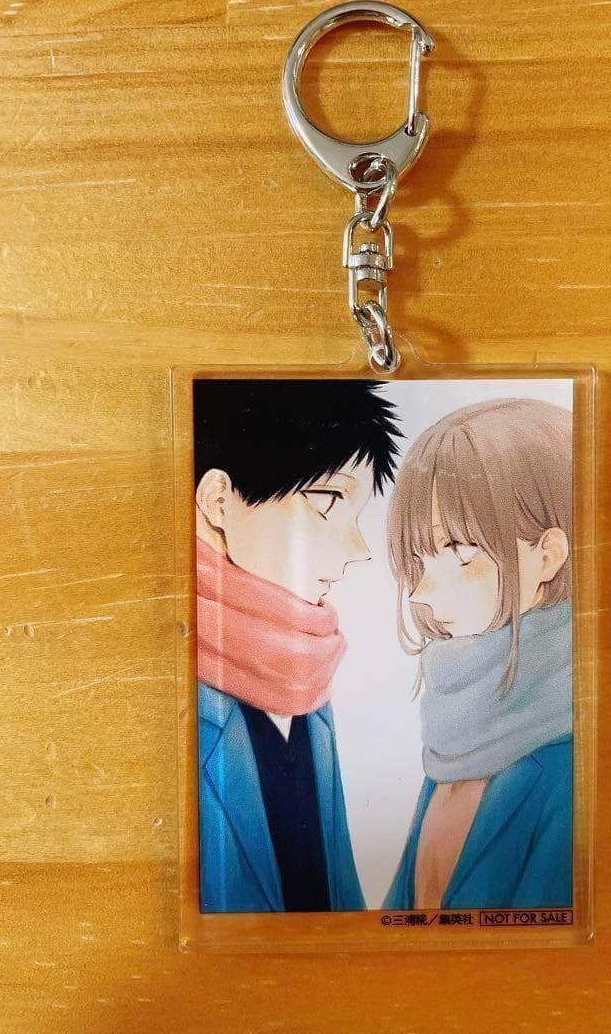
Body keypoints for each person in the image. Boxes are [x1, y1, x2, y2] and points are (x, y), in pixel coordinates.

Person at [193, 379, 401, 913]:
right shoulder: (170, 689)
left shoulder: (304, 682)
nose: (358, 548)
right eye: (327, 501)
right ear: (219, 501)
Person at [383, 397, 573, 911]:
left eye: (460, 552)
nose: (420, 591)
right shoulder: (460, 734)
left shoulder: (572, 763)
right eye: (418, 558)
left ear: (549, 555)